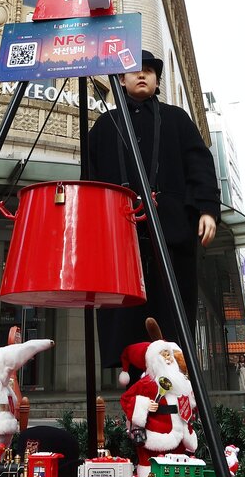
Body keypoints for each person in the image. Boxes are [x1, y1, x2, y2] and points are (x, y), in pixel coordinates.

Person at [90, 50, 222, 371]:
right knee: (126, 330)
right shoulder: (104, 126)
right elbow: (90, 178)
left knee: (172, 325)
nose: (142, 75)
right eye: (135, 70)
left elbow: (200, 165)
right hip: (120, 239)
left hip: (171, 233)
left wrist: (206, 209)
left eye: (149, 71)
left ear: (157, 80)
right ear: (120, 80)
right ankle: (136, 397)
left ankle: (176, 400)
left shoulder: (176, 118)